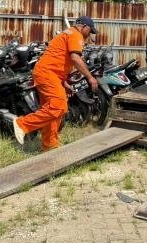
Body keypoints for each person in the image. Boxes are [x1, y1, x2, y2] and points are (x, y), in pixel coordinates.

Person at [13, 16, 99, 151]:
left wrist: (63, 82)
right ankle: (22, 124)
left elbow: (58, 59)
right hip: (48, 74)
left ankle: (49, 145)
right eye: (90, 31)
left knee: (52, 111)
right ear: (84, 27)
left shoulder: (67, 34)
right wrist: (90, 77)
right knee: (59, 106)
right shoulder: (76, 35)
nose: (90, 35)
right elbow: (75, 58)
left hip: (48, 73)